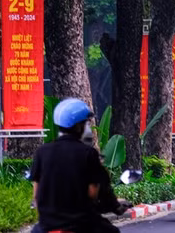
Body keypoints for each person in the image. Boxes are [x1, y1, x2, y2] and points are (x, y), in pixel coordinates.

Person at [29, 98, 130, 233]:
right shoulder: (88, 154)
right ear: (78, 126)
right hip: (82, 225)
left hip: (47, 226)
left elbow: (36, 194)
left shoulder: (42, 152)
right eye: (86, 123)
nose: (88, 128)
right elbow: (93, 193)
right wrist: (115, 206)